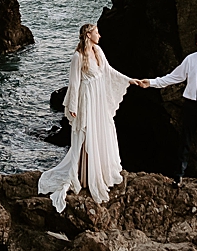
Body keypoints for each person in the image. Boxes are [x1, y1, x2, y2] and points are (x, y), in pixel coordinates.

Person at [38, 23, 135, 212]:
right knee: (86, 134)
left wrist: (129, 80)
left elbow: (109, 71)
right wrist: (73, 106)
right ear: (88, 35)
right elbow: (74, 83)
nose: (100, 35)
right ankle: (84, 175)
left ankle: (97, 171)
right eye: (97, 32)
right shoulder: (78, 56)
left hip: (98, 100)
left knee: (100, 132)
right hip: (87, 100)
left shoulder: (98, 51)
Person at [137, 28, 197, 187]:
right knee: (185, 140)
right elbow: (174, 77)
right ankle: (178, 176)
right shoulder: (191, 59)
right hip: (191, 104)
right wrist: (151, 83)